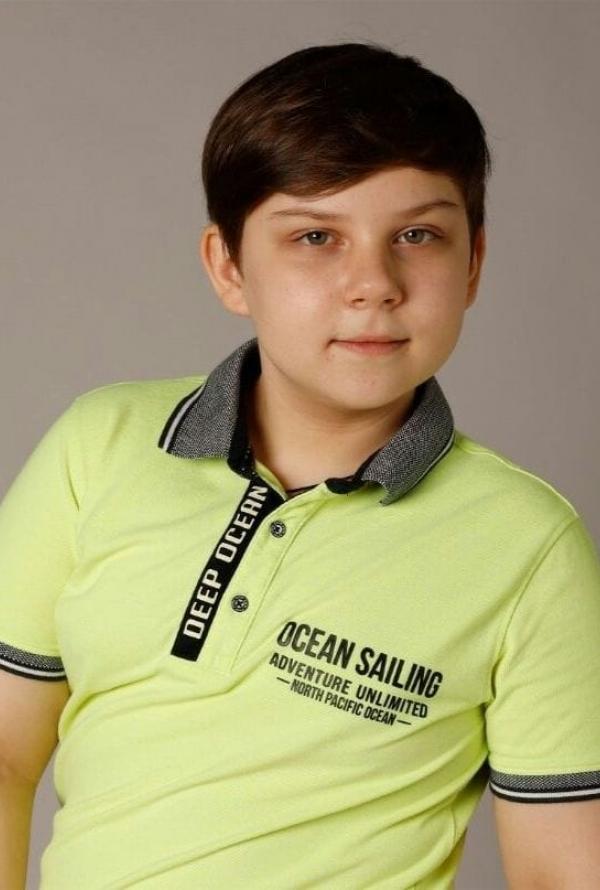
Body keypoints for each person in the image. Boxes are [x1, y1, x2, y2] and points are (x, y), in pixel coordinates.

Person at [1, 40, 599, 890]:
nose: (374, 283)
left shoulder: (529, 545)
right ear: (229, 266)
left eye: (418, 235)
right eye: (317, 236)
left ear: (472, 264)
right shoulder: (99, 446)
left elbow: (561, 875)